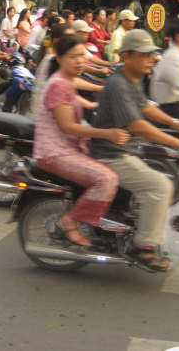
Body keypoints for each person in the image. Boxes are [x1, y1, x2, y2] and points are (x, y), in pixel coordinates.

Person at [91, 29, 179, 271]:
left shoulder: (131, 80)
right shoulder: (118, 84)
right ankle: (142, 246)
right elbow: (138, 125)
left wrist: (175, 124)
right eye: (144, 55)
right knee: (159, 186)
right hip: (112, 154)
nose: (150, 59)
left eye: (151, 55)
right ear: (127, 56)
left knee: (166, 173)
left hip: (126, 149)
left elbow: (146, 108)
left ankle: (138, 228)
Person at [34, 34, 130, 246]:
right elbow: (68, 126)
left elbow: (84, 94)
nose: (79, 61)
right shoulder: (58, 85)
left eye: (81, 56)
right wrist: (107, 133)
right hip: (56, 153)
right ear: (59, 58)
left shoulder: (66, 80)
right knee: (107, 179)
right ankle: (69, 221)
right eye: (72, 57)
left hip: (70, 148)